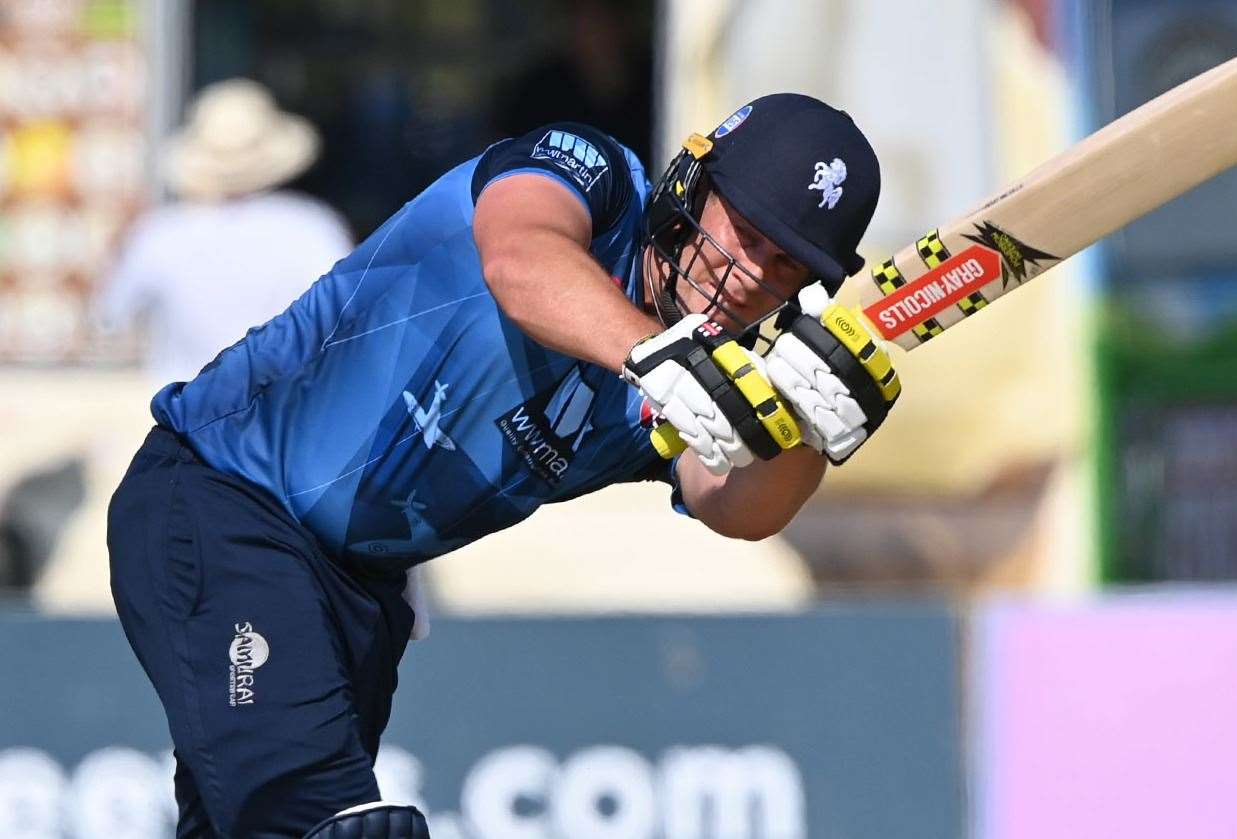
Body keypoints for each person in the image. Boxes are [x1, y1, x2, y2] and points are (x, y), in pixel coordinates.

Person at [107, 93, 901, 837]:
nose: (756, 274)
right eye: (747, 235)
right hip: (223, 497)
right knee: (326, 817)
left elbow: (735, 505)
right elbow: (520, 259)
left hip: (359, 594)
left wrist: (808, 432)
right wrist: (658, 358)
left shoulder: (692, 381)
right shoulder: (592, 177)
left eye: (788, 265)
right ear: (693, 187)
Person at [98, 78, 353, 386]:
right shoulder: (310, 228)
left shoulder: (161, 233)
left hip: (184, 412)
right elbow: (348, 316)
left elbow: (110, 318)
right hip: (281, 410)